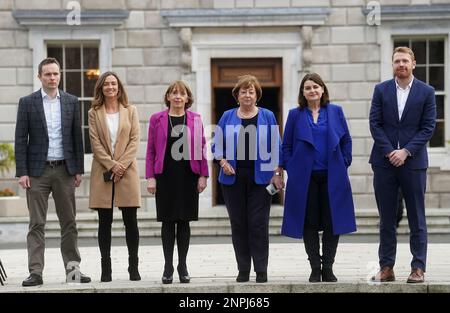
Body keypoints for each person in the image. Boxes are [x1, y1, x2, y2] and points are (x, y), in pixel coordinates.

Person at [14, 57, 91, 286]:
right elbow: (20, 139)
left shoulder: (70, 101)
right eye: (47, 74)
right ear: (39, 76)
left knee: (69, 222)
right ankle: (35, 273)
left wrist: (78, 169)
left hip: (64, 170)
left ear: (60, 75)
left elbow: (78, 138)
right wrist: (23, 172)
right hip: (37, 172)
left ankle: (73, 272)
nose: (52, 78)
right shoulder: (27, 103)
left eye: (55, 74)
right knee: (36, 223)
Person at [281, 72, 356, 283]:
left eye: (316, 86)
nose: (312, 90)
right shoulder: (295, 115)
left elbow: (346, 140)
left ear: (322, 89)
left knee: (333, 222)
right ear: (303, 93)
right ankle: (315, 268)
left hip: (333, 176)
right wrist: (291, 168)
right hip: (305, 178)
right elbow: (286, 146)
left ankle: (328, 267)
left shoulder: (335, 111)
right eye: (308, 88)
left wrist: (345, 161)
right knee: (309, 223)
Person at [369, 46, 436, 283]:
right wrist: (390, 152)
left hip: (413, 163)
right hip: (384, 163)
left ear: (413, 64)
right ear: (392, 64)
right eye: (397, 61)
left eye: (405, 61)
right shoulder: (381, 90)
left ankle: (418, 267)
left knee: (417, 217)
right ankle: (386, 267)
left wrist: (406, 152)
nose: (401, 65)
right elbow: (374, 124)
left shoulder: (426, 92)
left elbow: (428, 127)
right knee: (386, 218)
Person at [212, 74, 283, 283]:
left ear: (257, 95)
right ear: (237, 95)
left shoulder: (268, 116)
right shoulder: (227, 116)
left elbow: (276, 146)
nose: (247, 94)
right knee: (239, 224)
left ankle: (261, 269)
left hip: (261, 179)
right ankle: (243, 269)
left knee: (258, 223)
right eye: (243, 91)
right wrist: (223, 162)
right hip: (233, 178)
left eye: (251, 91)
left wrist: (278, 172)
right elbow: (216, 145)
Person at [146, 80, 208, 284]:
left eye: (182, 93)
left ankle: (182, 265)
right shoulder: (157, 119)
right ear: (168, 97)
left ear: (188, 98)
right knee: (167, 221)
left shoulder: (195, 119)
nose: (178, 97)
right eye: (174, 93)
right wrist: (151, 177)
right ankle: (167, 266)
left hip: (188, 175)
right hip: (165, 176)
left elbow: (201, 149)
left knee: (184, 221)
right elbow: (151, 151)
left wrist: (203, 175)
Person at [88, 71, 141, 282]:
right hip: (103, 171)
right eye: (106, 84)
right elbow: (95, 144)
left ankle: (133, 267)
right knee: (104, 222)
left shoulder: (131, 110)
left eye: (114, 84)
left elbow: (135, 140)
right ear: (101, 88)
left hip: (127, 171)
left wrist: (121, 167)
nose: (110, 87)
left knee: (131, 222)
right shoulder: (94, 112)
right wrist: (112, 166)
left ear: (119, 87)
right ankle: (106, 269)